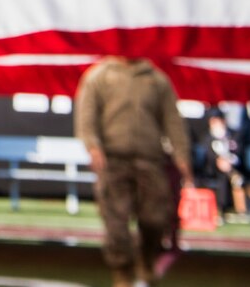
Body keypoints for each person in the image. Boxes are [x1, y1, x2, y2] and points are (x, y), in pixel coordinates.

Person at [73, 57, 192, 287]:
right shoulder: (99, 76)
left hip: (150, 160)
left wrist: (181, 155)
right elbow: (86, 116)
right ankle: (123, 272)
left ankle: (147, 261)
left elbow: (172, 120)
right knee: (115, 223)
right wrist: (93, 146)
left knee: (156, 218)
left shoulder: (156, 79)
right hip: (113, 161)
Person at [201, 112, 247, 222]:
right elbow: (209, 156)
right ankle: (220, 210)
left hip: (231, 168)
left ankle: (241, 210)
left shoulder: (232, 135)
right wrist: (219, 161)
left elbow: (237, 152)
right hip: (213, 169)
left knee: (237, 179)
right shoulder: (208, 138)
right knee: (224, 179)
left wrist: (229, 161)